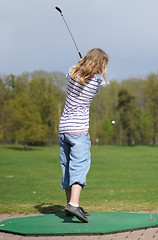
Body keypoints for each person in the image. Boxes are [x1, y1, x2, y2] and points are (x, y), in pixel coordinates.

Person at [58, 48, 109, 223]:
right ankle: (73, 203)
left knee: (67, 167)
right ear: (99, 66)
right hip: (79, 132)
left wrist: (82, 64)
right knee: (79, 167)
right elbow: (102, 82)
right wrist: (91, 70)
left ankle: (69, 205)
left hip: (64, 129)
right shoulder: (96, 85)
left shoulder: (72, 75)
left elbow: (71, 71)